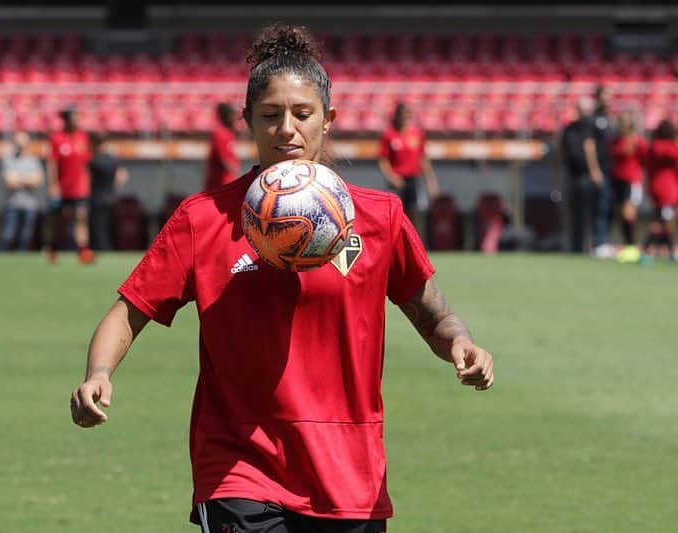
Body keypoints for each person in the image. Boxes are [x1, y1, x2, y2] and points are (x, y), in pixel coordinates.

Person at [69, 24, 494, 533]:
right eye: (270, 116)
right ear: (247, 122)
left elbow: (431, 313)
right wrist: (99, 373)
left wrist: (461, 344)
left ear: (328, 120)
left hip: (350, 473)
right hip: (239, 467)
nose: (286, 129)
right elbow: (129, 310)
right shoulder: (203, 218)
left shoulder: (379, 216)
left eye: (302, 114)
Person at [377, 102, 440, 225]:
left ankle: (411, 240)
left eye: (408, 115)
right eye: (403, 114)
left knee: (413, 213)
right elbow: (383, 160)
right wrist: (392, 177)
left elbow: (423, 159)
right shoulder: (389, 135)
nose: (406, 118)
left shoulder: (417, 135)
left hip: (413, 179)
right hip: (397, 181)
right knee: (395, 213)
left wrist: (431, 182)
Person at [47, 105, 94, 263]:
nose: (78, 120)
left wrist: (87, 183)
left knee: (81, 217)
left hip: (79, 188)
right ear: (66, 120)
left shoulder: (83, 137)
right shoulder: (56, 139)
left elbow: (86, 163)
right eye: (75, 117)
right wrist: (53, 185)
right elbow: (52, 163)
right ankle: (53, 249)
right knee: (58, 220)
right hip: (62, 188)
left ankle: (83, 250)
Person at [582, 85, 616, 258]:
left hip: (612, 171)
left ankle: (606, 241)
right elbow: (589, 145)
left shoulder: (610, 118)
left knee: (609, 206)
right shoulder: (594, 119)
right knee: (600, 207)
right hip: (600, 170)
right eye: (605, 95)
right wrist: (594, 169)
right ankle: (599, 242)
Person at [0, 130, 44, 251]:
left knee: (26, 237)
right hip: (12, 204)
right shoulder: (8, 159)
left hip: (30, 205)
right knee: (8, 235)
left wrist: (19, 179)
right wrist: (28, 180)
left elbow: (37, 181)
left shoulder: (34, 160)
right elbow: (10, 182)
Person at [561, 96, 595, 253]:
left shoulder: (593, 128)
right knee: (574, 216)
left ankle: (592, 247)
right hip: (573, 177)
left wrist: (594, 171)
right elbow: (564, 153)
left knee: (592, 214)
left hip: (589, 177)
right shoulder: (570, 129)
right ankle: (575, 248)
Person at [610, 110, 647, 252]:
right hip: (618, 180)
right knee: (621, 214)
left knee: (629, 213)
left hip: (632, 181)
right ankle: (627, 245)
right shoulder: (615, 141)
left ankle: (633, 245)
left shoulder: (637, 141)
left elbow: (644, 159)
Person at [642, 119, 678, 262]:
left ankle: (670, 252)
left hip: (657, 187)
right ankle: (646, 250)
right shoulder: (666, 147)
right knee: (663, 220)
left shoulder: (653, 146)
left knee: (666, 220)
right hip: (667, 189)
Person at [89, 132, 129, 251]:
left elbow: (88, 179)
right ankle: (110, 248)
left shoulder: (94, 160)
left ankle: (102, 249)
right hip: (111, 197)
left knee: (98, 227)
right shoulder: (113, 159)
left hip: (97, 197)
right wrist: (112, 187)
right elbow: (122, 176)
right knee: (110, 225)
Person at [204, 102, 241, 191]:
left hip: (227, 183)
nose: (237, 118)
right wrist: (239, 177)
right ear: (228, 116)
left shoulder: (228, 133)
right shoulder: (220, 133)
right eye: (234, 115)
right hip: (221, 185)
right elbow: (225, 161)